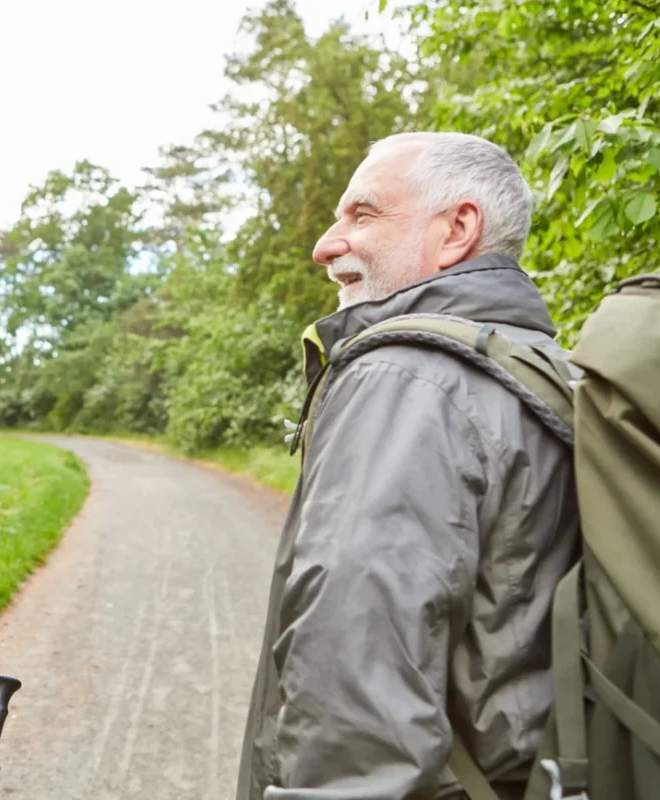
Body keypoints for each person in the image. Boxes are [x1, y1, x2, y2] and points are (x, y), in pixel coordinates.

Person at [237, 132, 580, 799]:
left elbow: (355, 697)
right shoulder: (540, 369)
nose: (326, 244)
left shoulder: (406, 379)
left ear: (458, 229)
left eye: (363, 214)